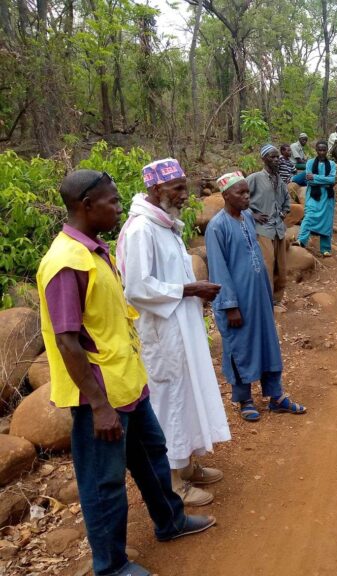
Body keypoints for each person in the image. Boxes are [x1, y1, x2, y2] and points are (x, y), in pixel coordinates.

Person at [38, 170, 215, 576]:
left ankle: (169, 522)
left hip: (129, 384)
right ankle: (111, 565)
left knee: (153, 458)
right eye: (112, 203)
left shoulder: (95, 250)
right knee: (104, 484)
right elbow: (67, 342)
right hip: (99, 396)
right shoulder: (66, 263)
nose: (120, 209)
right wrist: (99, 406)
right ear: (86, 206)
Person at [116, 158, 231, 507]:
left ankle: (189, 463)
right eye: (177, 188)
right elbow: (136, 287)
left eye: (185, 186)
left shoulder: (164, 224)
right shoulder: (141, 230)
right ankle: (174, 481)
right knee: (171, 400)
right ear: (155, 189)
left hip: (182, 325)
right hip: (162, 331)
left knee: (189, 392)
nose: (185, 194)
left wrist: (191, 292)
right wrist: (190, 290)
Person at [205, 172, 306, 422]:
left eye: (247, 192)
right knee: (240, 346)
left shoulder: (248, 217)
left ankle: (276, 396)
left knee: (267, 343)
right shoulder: (217, 227)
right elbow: (218, 269)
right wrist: (230, 306)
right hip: (237, 301)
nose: (246, 197)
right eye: (240, 193)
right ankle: (244, 399)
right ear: (226, 196)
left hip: (259, 296)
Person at [246, 144, 292, 303]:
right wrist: (253, 214)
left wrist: (285, 212)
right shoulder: (255, 178)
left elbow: (287, 200)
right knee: (267, 266)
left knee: (281, 267)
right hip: (263, 230)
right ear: (263, 159)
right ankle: (264, 301)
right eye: (272, 157)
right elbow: (238, 198)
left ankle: (277, 300)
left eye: (277, 157)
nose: (276, 160)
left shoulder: (280, 180)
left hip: (278, 229)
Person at [296, 140, 337, 257]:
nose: (322, 152)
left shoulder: (332, 164)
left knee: (327, 221)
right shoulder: (309, 163)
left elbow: (332, 180)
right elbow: (310, 181)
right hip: (313, 196)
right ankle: (301, 241)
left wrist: (315, 177)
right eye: (320, 150)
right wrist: (324, 180)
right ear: (316, 150)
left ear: (327, 150)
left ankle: (325, 249)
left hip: (327, 198)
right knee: (309, 217)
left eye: (324, 150)